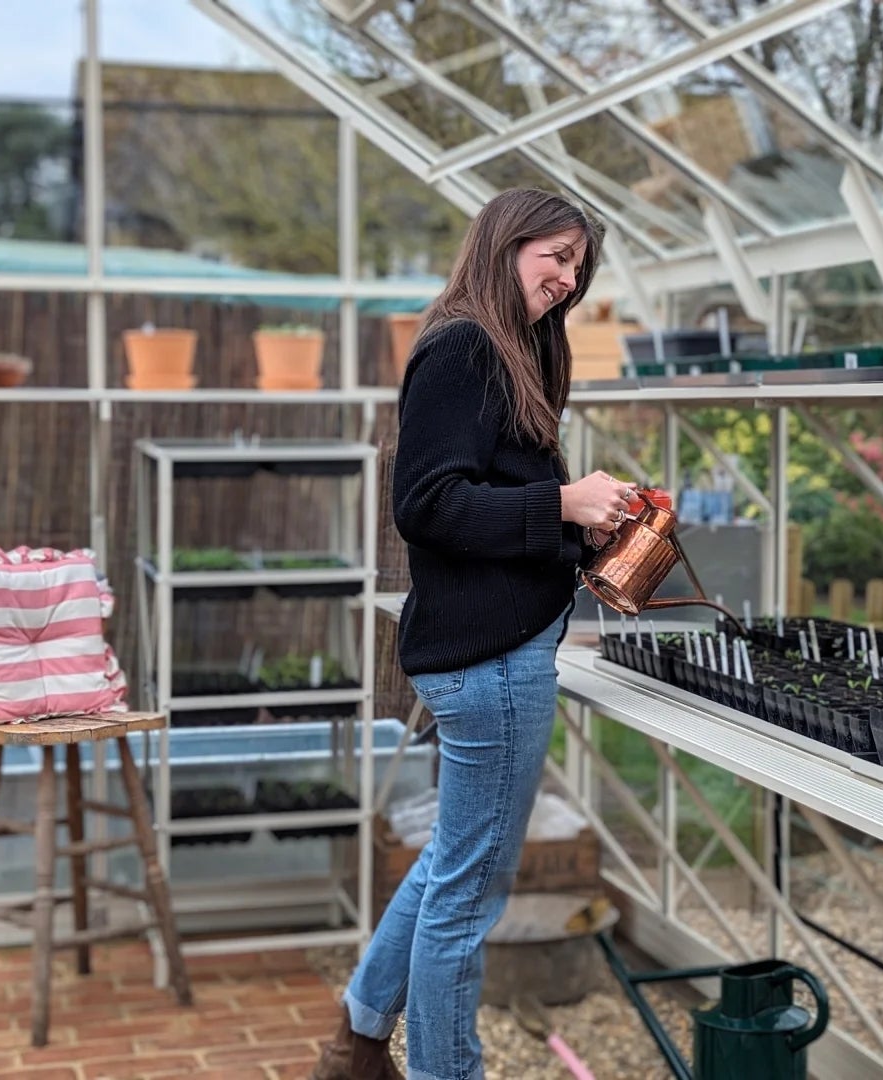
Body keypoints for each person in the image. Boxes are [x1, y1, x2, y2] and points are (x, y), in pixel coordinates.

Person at [310, 188, 635, 1080]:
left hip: (493, 653)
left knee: (455, 865)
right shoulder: (464, 348)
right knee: (470, 894)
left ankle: (358, 1039)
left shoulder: (505, 349)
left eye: (579, 267)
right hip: (490, 665)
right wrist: (561, 502)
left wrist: (584, 523)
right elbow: (427, 505)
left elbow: (483, 502)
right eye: (557, 256)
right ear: (505, 242)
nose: (567, 280)